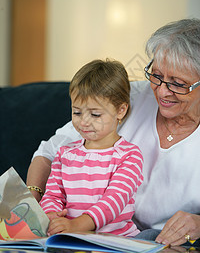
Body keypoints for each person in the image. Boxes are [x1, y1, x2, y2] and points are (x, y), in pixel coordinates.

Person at [27, 18, 200, 246]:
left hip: (158, 240)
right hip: (85, 231)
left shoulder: (128, 154)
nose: (162, 91)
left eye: (177, 83)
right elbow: (51, 151)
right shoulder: (130, 98)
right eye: (156, 75)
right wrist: (34, 207)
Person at [39, 59, 144, 237]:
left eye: (95, 114)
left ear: (121, 111)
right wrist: (52, 217)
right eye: (77, 112)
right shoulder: (65, 154)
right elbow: (53, 196)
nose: (84, 121)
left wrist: (76, 225)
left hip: (118, 240)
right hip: (71, 238)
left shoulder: (129, 155)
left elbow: (113, 202)